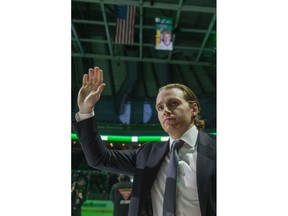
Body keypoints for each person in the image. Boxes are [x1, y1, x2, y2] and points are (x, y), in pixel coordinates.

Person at [72, 67, 216, 216]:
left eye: (173, 103)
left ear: (194, 109)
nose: (165, 110)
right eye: (160, 107)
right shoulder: (147, 154)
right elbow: (99, 158)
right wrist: (85, 110)